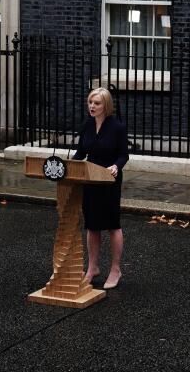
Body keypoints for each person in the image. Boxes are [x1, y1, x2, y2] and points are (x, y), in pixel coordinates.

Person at [72, 87, 129, 289]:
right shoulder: (87, 125)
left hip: (109, 179)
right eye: (90, 102)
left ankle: (115, 269)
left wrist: (116, 165)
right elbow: (80, 153)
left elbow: (124, 155)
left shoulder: (117, 127)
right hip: (91, 179)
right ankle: (93, 267)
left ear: (106, 105)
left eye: (96, 103)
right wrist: (68, 165)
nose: (92, 106)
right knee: (92, 224)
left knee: (112, 224)